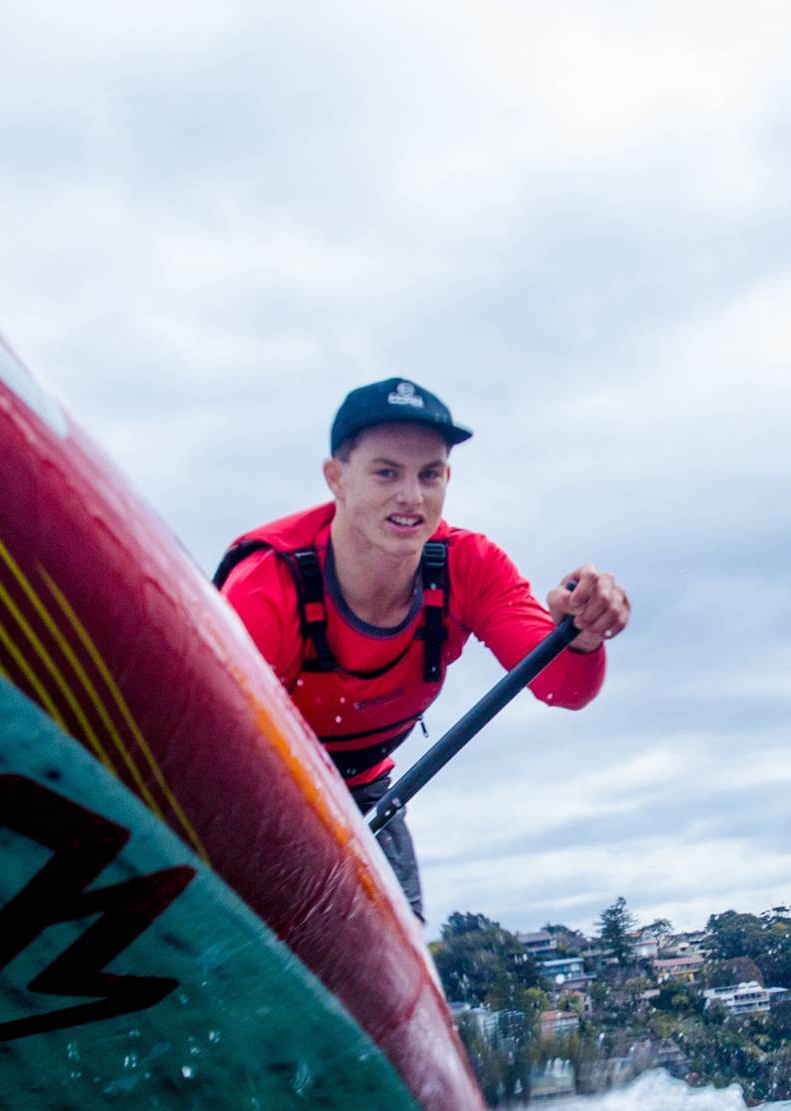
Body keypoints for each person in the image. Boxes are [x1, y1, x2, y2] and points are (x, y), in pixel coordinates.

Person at [214, 378, 629, 919]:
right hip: (249, 798)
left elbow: (564, 689)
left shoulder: (469, 566)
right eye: (386, 473)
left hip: (367, 802)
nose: (411, 497)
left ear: (447, 479)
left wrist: (582, 632)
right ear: (336, 478)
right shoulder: (269, 583)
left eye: (429, 475)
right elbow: (216, 748)